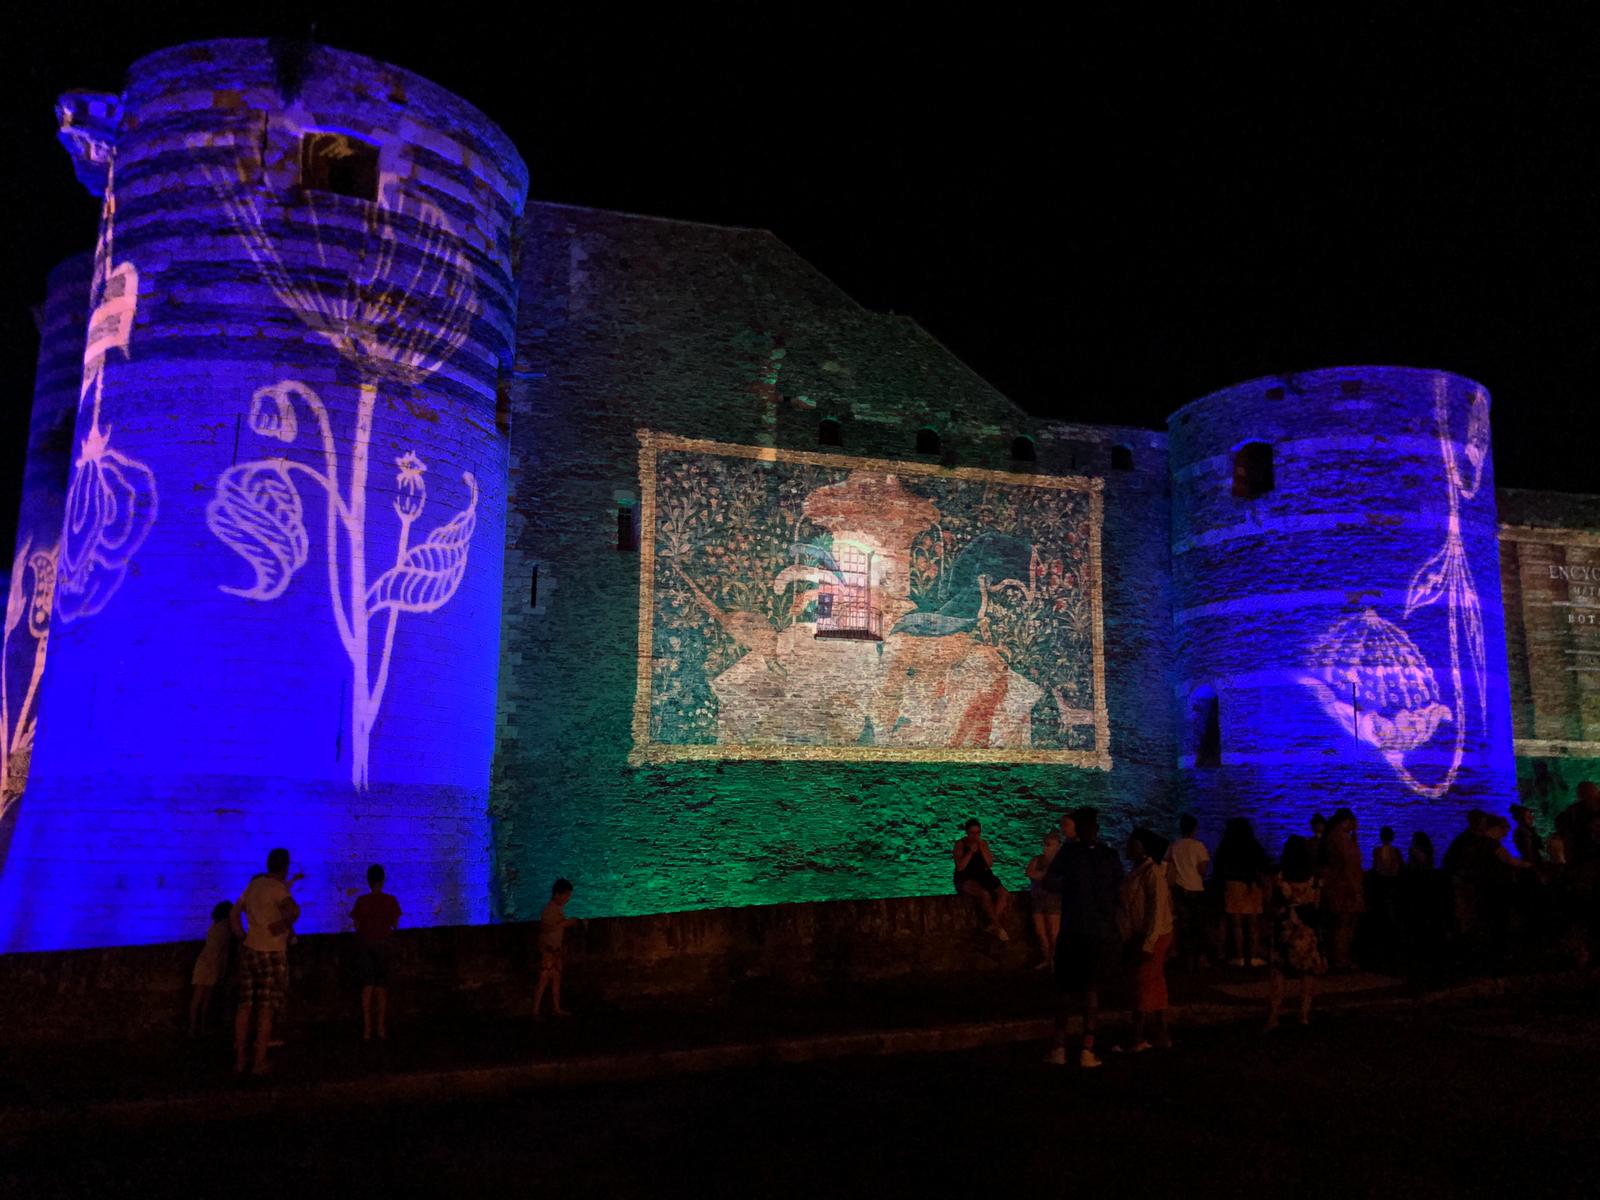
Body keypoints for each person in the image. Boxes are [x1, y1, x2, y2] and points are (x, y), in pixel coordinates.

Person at [1042, 807, 1123, 1068]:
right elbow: (1118, 889)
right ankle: (1087, 1049)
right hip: (1098, 932)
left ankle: (1059, 1047)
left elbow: (1049, 882)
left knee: (1064, 990)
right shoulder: (1109, 856)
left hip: (1072, 930)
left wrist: (1072, 886)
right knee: (1091, 990)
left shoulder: (1069, 853)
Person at [231, 847, 299, 1076]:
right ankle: (258, 1062)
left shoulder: (254, 885)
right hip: (271, 952)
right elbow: (294, 910)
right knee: (266, 1009)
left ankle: (240, 1060)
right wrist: (282, 926)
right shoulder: (277, 888)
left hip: (250, 950)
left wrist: (242, 935)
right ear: (285, 867)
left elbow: (234, 912)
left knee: (245, 1007)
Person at [1120, 827, 1174, 1052]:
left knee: (1142, 983)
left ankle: (1137, 1037)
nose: (1128, 845)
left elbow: (1156, 910)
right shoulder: (1139, 870)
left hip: (1154, 935)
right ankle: (1161, 1034)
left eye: (1133, 842)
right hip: (1146, 934)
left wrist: (1148, 943)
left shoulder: (1152, 872)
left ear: (1143, 846)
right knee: (1155, 982)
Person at [1264, 835, 1324, 1032]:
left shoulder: (1280, 876)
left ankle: (1273, 1016)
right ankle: (1304, 1014)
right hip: (1306, 928)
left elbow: (1272, 903)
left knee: (1279, 973)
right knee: (1307, 972)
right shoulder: (1313, 878)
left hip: (1285, 928)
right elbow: (1317, 905)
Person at [351, 864, 402, 1042]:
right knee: (381, 988)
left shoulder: (361, 902)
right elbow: (395, 924)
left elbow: (356, 926)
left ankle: (367, 1029)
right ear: (383, 880)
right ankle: (381, 1028)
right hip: (383, 947)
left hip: (366, 946)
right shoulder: (391, 901)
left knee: (367, 988)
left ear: (368, 881)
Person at [1214, 817, 1269, 967]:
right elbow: (1263, 862)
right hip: (1251, 884)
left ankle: (1239, 956)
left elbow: (1219, 866)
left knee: (1236, 924)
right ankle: (1253, 955)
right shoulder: (1253, 844)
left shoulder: (1227, 845)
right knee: (1253, 923)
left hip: (1232, 884)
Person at [1321, 808, 1365, 970]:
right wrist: (1355, 888)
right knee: (1343, 923)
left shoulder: (1339, 837)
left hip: (1344, 884)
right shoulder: (1339, 838)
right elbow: (1348, 864)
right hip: (1344, 887)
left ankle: (1339, 957)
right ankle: (1340, 959)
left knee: (1344, 923)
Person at [952, 819, 1011, 941]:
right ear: (967, 832)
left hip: (983, 875)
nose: (975, 836)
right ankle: (998, 927)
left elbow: (989, 864)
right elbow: (960, 867)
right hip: (966, 876)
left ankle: (992, 924)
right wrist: (971, 852)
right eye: (972, 833)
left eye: (978, 833)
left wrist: (983, 850)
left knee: (1003, 893)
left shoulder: (983, 844)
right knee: (984, 894)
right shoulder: (960, 844)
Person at [1166, 813, 1211, 972]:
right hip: (1196, 888)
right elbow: (1203, 870)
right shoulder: (1199, 846)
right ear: (1195, 828)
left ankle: (1184, 958)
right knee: (1198, 926)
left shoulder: (1174, 846)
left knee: (1183, 925)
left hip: (1179, 889)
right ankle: (1200, 958)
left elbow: (1169, 868)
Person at [533, 878, 580, 1019]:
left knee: (556, 981)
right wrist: (565, 924)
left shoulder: (557, 910)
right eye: (566, 896)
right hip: (548, 951)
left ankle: (556, 1008)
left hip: (556, 951)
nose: (567, 899)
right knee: (543, 981)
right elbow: (545, 929)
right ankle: (535, 1010)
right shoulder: (549, 910)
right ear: (557, 894)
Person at [189, 900, 233, 1038]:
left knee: (197, 997)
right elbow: (223, 951)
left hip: (203, 961)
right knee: (206, 998)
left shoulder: (214, 926)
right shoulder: (227, 927)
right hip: (212, 964)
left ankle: (192, 1028)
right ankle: (202, 1027)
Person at [1025, 832, 1063, 970]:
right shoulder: (1037, 859)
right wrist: (1047, 876)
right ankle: (1047, 958)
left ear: (1058, 846)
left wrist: (1042, 876)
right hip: (1038, 901)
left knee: (1054, 934)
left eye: (1049, 844)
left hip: (1054, 901)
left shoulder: (1062, 863)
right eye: (1045, 843)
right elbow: (1029, 873)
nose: (1045, 847)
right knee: (1041, 932)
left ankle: (1055, 960)